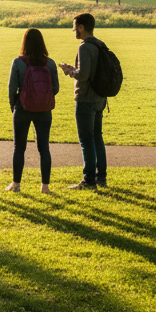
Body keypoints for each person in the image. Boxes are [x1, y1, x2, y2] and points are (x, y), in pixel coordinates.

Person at [59, 13, 108, 189]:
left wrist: (70, 71)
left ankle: (88, 180)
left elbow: (84, 75)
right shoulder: (99, 44)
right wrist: (75, 69)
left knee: (86, 140)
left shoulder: (85, 47)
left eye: (74, 27)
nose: (74, 31)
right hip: (99, 98)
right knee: (97, 138)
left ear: (81, 27)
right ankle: (101, 177)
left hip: (86, 99)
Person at [7, 28, 59, 194]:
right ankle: (45, 186)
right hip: (44, 110)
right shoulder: (49, 63)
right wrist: (42, 97)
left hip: (22, 108)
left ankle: (16, 184)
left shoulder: (18, 62)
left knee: (19, 147)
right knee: (44, 147)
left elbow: (11, 88)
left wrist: (14, 106)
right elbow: (55, 88)